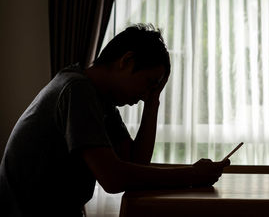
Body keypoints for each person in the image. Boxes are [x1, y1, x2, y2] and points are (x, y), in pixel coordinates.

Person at [0, 24, 230, 217]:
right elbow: (113, 178)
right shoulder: (77, 90)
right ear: (127, 61)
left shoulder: (101, 100)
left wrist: (152, 105)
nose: (145, 95)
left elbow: (136, 161)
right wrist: (192, 175)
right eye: (150, 83)